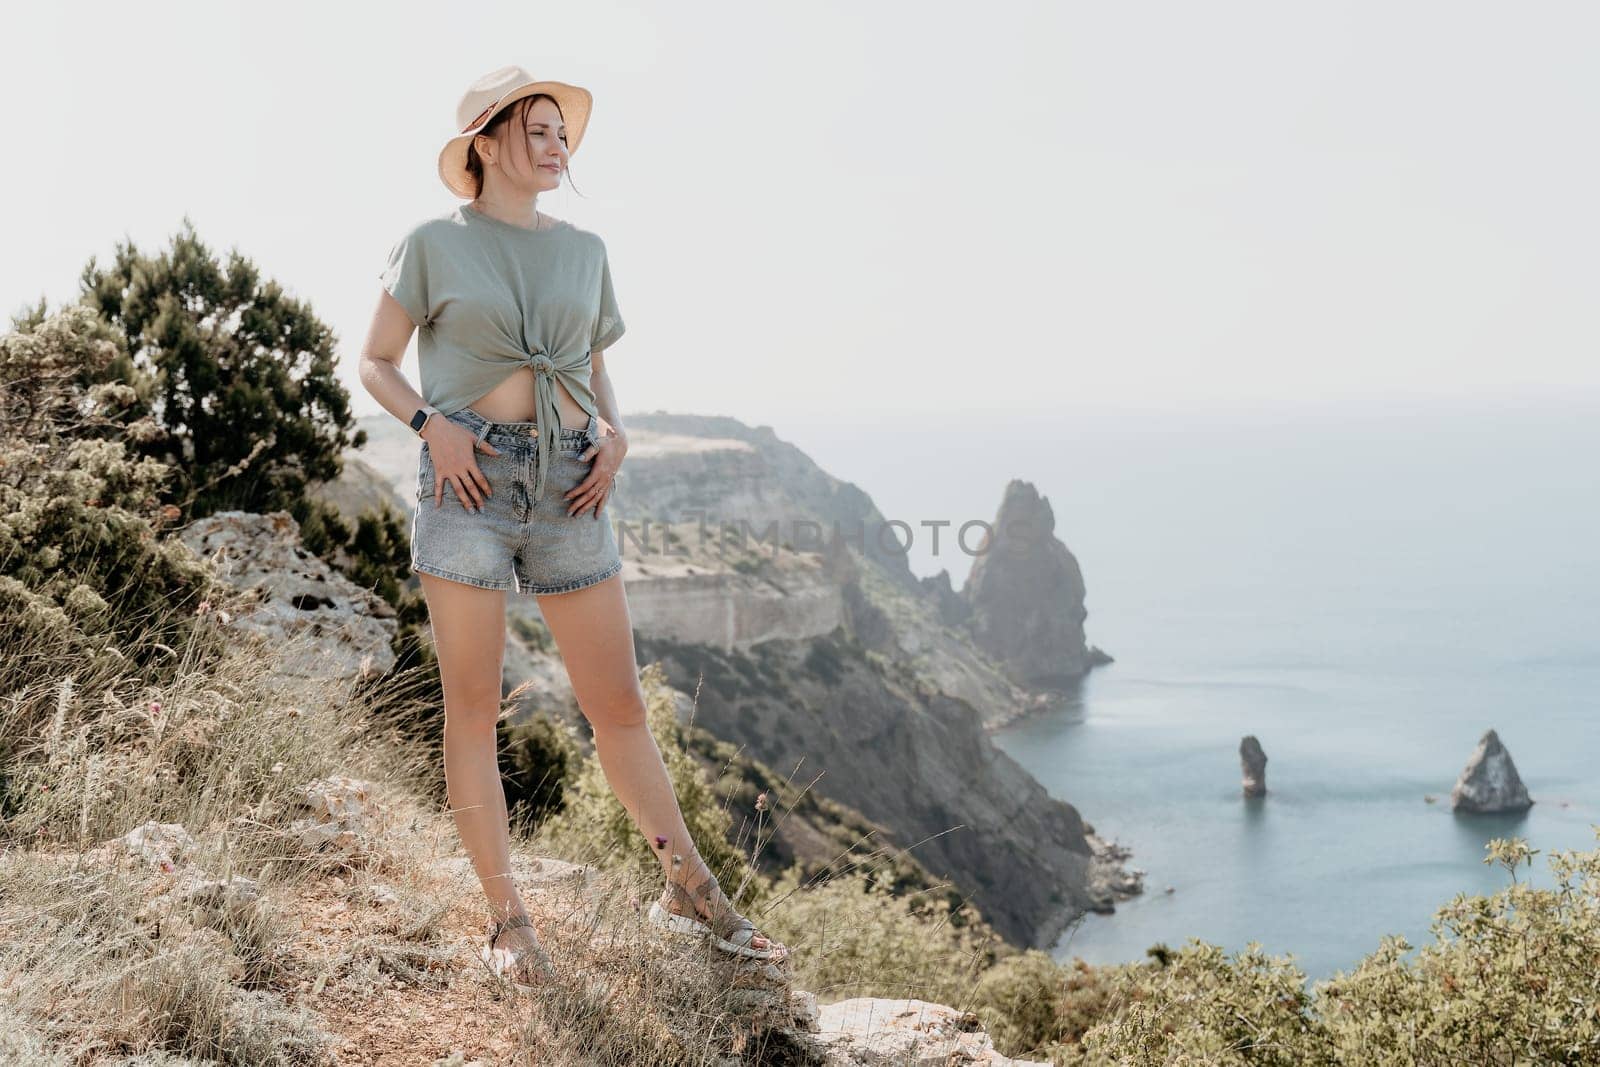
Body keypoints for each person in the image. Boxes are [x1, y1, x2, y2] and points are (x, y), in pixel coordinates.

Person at [358, 65, 788, 987]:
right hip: (467, 480)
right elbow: (376, 362)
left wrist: (619, 433)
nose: (559, 147)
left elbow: (590, 365)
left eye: (565, 134)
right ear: (486, 141)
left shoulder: (585, 250)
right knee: (473, 709)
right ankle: (508, 924)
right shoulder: (432, 241)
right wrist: (433, 428)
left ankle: (692, 891)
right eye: (540, 130)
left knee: (620, 707)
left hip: (572, 483)